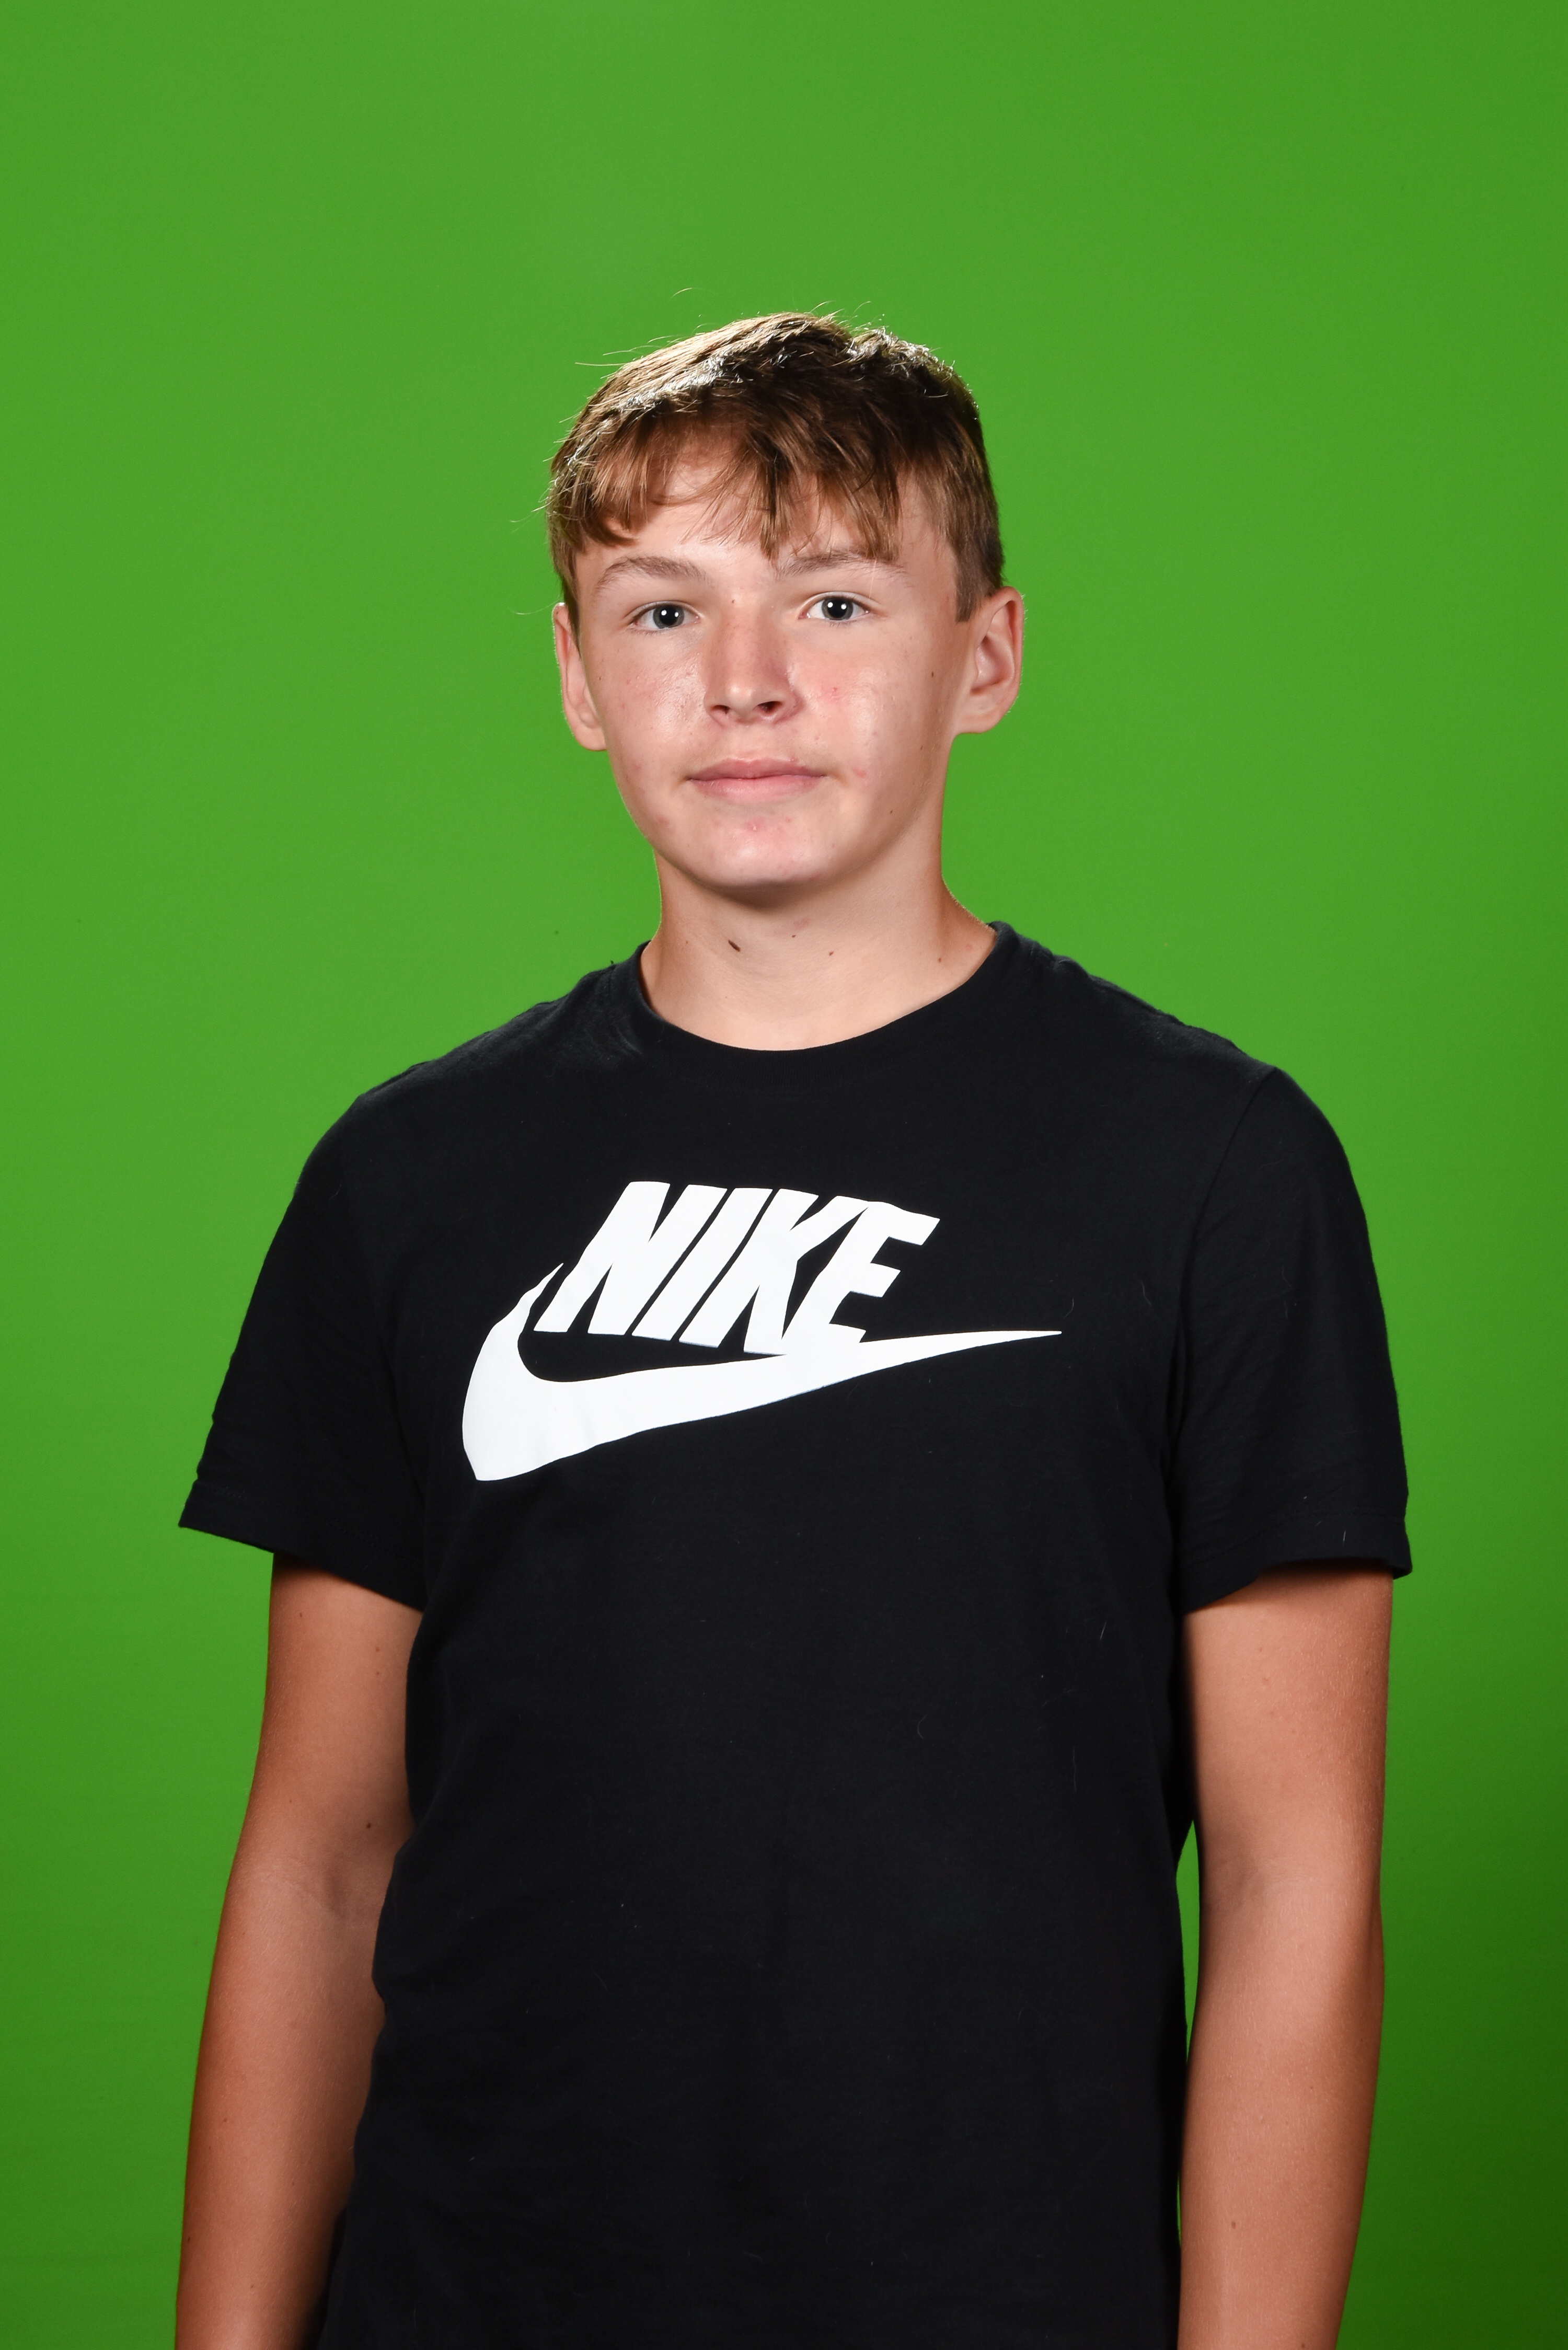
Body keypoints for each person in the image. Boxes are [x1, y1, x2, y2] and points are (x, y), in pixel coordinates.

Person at [175, 313, 1409, 2350]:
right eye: (665, 609)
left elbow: (1297, 1880)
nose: (745, 679)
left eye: (836, 598)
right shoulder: (408, 1180)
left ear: (986, 655)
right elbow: (323, 1857)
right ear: (579, 676)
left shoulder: (1212, 1169)